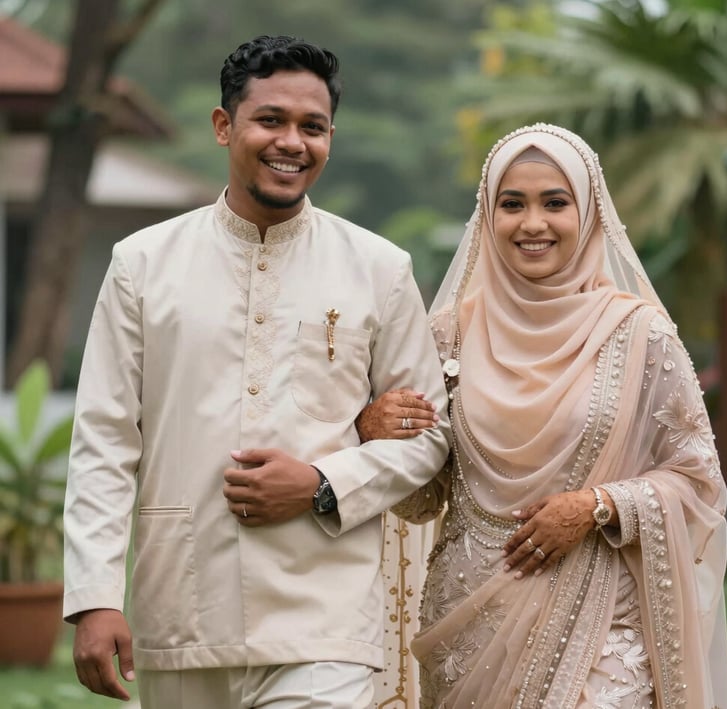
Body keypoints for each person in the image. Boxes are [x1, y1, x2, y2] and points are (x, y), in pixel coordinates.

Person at [62, 35, 450, 709]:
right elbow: (105, 437)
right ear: (224, 126)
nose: (292, 142)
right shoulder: (143, 264)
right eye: (271, 120)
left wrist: (323, 481)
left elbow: (427, 434)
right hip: (184, 603)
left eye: (313, 127)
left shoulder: (379, 269)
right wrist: (94, 596)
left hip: (324, 617)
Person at [358, 123, 727, 708]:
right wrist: (375, 432)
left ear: (588, 213)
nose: (533, 224)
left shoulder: (639, 335)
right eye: (512, 204)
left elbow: (698, 480)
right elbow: (420, 497)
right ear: (487, 214)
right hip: (473, 621)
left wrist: (596, 506)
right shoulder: (448, 335)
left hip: (605, 618)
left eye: (555, 202)